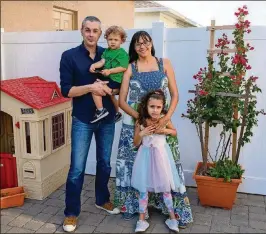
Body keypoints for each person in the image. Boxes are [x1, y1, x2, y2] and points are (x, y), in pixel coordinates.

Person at [114, 31, 193, 227]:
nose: (142, 46)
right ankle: (134, 208)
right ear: (133, 47)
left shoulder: (164, 63)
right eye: (138, 44)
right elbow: (122, 101)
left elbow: (175, 95)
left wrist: (165, 119)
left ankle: (170, 210)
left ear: (151, 43)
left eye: (145, 42)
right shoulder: (130, 68)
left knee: (166, 165)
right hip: (135, 124)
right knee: (133, 165)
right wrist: (141, 119)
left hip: (161, 124)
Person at [60, 16, 120, 233]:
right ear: (81, 31)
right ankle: (71, 214)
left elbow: (117, 86)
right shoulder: (69, 56)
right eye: (88, 30)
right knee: (77, 169)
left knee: (104, 163)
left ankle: (102, 200)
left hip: (107, 119)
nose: (91, 34)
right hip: (83, 120)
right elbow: (66, 90)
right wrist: (90, 88)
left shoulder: (110, 54)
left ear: (100, 33)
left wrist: (106, 89)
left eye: (96, 31)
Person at [132, 90, 182, 233]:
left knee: (165, 188)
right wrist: (142, 133)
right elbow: (136, 143)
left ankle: (172, 218)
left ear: (162, 107)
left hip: (161, 157)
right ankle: (141, 220)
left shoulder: (164, 119)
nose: (155, 110)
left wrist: (164, 130)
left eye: (158, 107)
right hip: (145, 158)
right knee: (143, 189)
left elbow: (174, 132)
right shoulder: (140, 121)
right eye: (152, 106)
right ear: (146, 106)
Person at [89, 25, 129, 123]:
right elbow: (102, 62)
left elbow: (123, 67)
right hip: (110, 78)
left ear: (122, 41)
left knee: (95, 88)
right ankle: (117, 113)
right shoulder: (107, 51)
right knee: (111, 96)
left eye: (116, 39)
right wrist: (94, 65)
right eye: (110, 39)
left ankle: (100, 110)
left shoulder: (121, 53)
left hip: (117, 80)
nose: (112, 42)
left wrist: (110, 71)